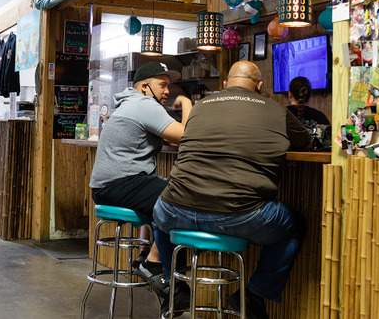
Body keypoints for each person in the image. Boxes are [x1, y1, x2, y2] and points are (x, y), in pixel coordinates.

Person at [153, 61, 312, 319]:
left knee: (159, 214)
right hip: (240, 216)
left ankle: (177, 285)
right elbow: (304, 142)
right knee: (294, 227)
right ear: (259, 87)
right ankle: (252, 296)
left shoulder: (201, 106)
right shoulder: (276, 109)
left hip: (175, 210)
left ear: (225, 85)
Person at [88, 61, 192, 313]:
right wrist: (188, 104)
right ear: (145, 87)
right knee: (182, 197)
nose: (167, 91)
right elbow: (190, 135)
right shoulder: (144, 104)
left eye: (169, 86)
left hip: (110, 186)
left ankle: (162, 273)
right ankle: (155, 265)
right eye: (163, 85)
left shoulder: (132, 104)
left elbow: (170, 136)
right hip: (120, 183)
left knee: (170, 198)